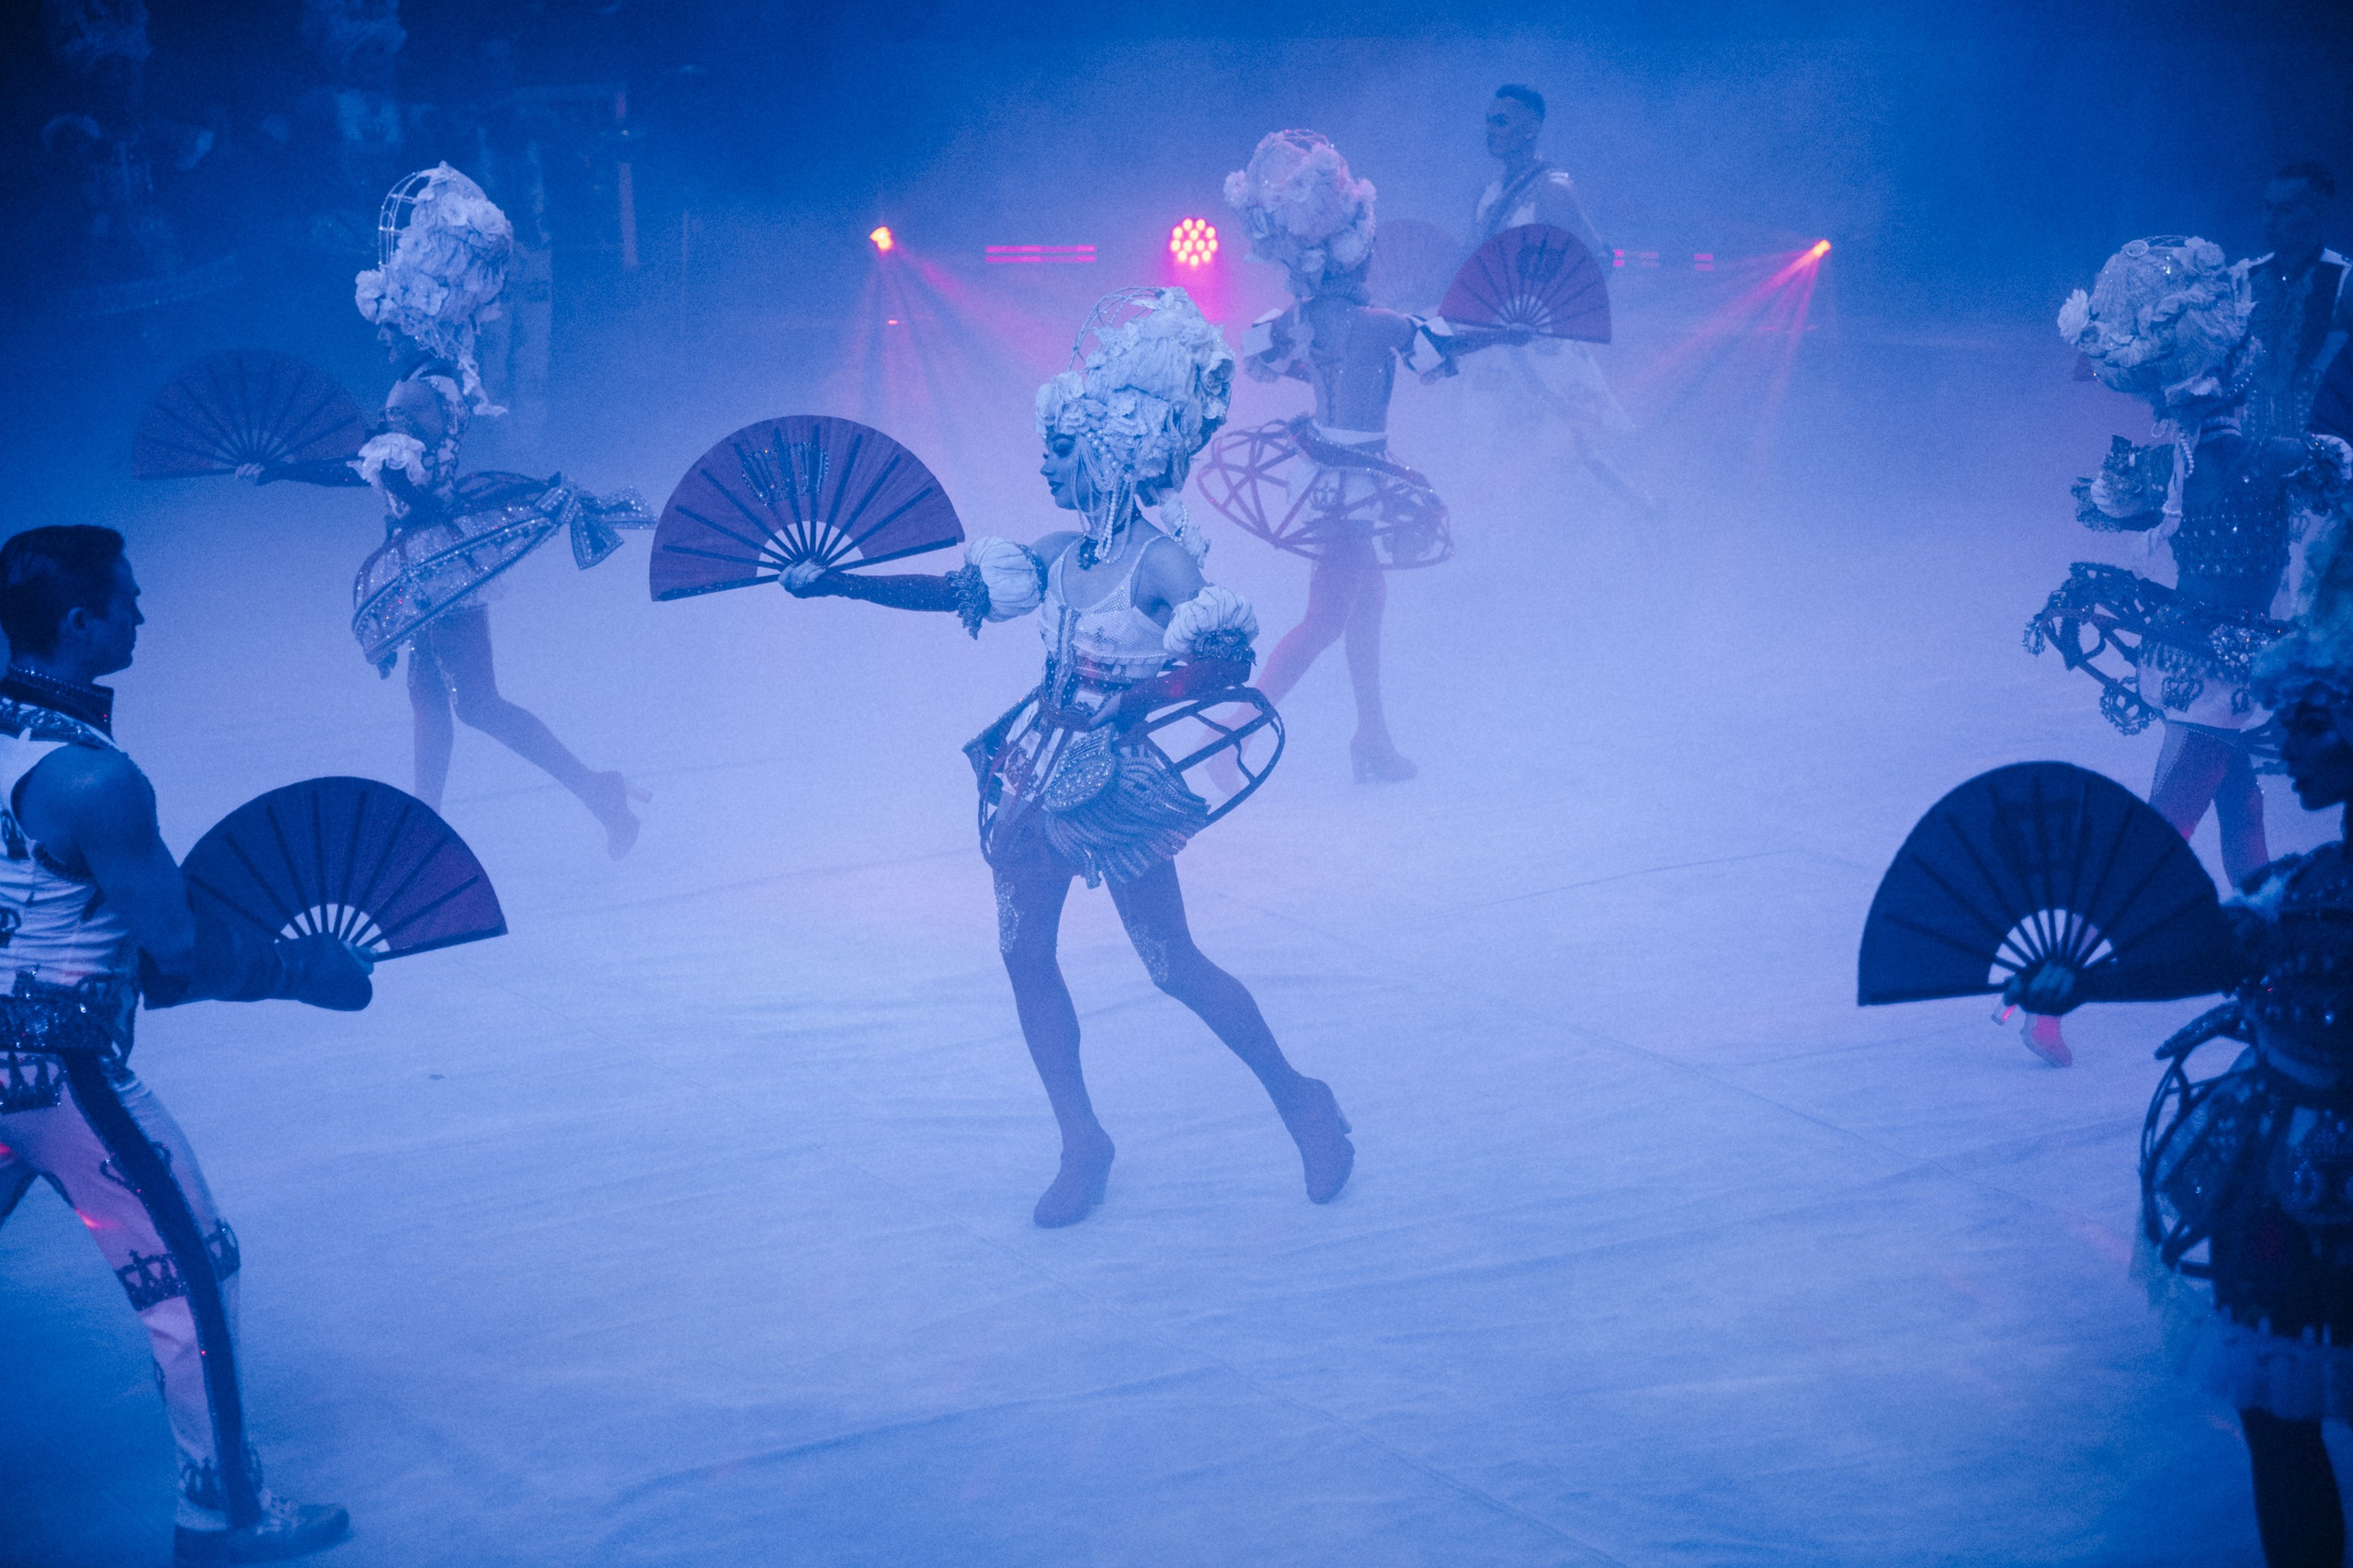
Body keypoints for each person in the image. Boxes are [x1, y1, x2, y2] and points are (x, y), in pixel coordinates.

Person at [781, 287, 1354, 1227]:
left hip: (1112, 786)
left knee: (1171, 965)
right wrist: (837, 581)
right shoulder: (1054, 554)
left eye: (1064, 452)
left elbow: (1222, 661)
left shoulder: (1164, 563)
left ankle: (1301, 1098)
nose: (1049, 469)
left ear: (1116, 452)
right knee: (1024, 955)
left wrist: (1141, 696)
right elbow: (948, 591)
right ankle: (1081, 1136)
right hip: (1030, 777)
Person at [0, 526, 377, 1562]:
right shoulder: (93, 780)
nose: (140, 615)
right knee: (191, 1273)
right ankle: (225, 1517)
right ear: (78, 623)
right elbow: (175, 949)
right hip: (60, 1073)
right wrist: (307, 971)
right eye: (125, 599)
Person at [2008, 440, 2353, 1565]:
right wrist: (2091, 976)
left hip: (2316, 1167)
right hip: (2291, 1172)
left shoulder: (2281, 447)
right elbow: (2225, 942)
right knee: (2276, 1415)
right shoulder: (2302, 890)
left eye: (2313, 720)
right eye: (2295, 717)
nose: (2294, 737)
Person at [250, 163, 649, 855]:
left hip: (435, 557)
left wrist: (359, 470)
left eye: (389, 323)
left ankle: (544, 800)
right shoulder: (424, 383)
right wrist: (294, 470)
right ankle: (457, 815)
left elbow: (415, 489)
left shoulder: (418, 392)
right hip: (428, 556)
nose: (380, 333)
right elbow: (377, 475)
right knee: (438, 695)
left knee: (472, 702)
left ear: (416, 326)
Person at [2028, 236, 2346, 1064]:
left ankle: (2272, 987)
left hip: (2219, 657)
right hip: (2217, 670)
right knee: (2166, 830)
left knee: (2243, 826)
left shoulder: (2195, 451)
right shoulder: (2239, 452)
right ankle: (2060, 987)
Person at [1213, 129, 1522, 781]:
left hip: (1328, 469)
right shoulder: (1375, 323)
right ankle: (1232, 736)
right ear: (1352, 253)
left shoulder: (1304, 319)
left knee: (1366, 603)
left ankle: (1372, 739)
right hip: (1350, 483)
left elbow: (1287, 364)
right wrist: (1507, 332)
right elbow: (1441, 348)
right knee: (1326, 618)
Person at [1465, 84, 1649, 514]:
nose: (1489, 129)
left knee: (1564, 450)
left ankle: (1634, 514)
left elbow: (1599, 257)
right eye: (1488, 120)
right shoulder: (1488, 193)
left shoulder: (1552, 189)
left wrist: (1547, 306)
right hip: (1494, 345)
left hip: (1541, 344)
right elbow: (1471, 264)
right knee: (1493, 454)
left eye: (1501, 121)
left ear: (1531, 128)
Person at [2245, 162, 2352, 448]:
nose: (2270, 220)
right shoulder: (2243, 278)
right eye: (2267, 208)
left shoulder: (2345, 281)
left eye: (2285, 210)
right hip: (2249, 454)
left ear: (2317, 212)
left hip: (2327, 460)